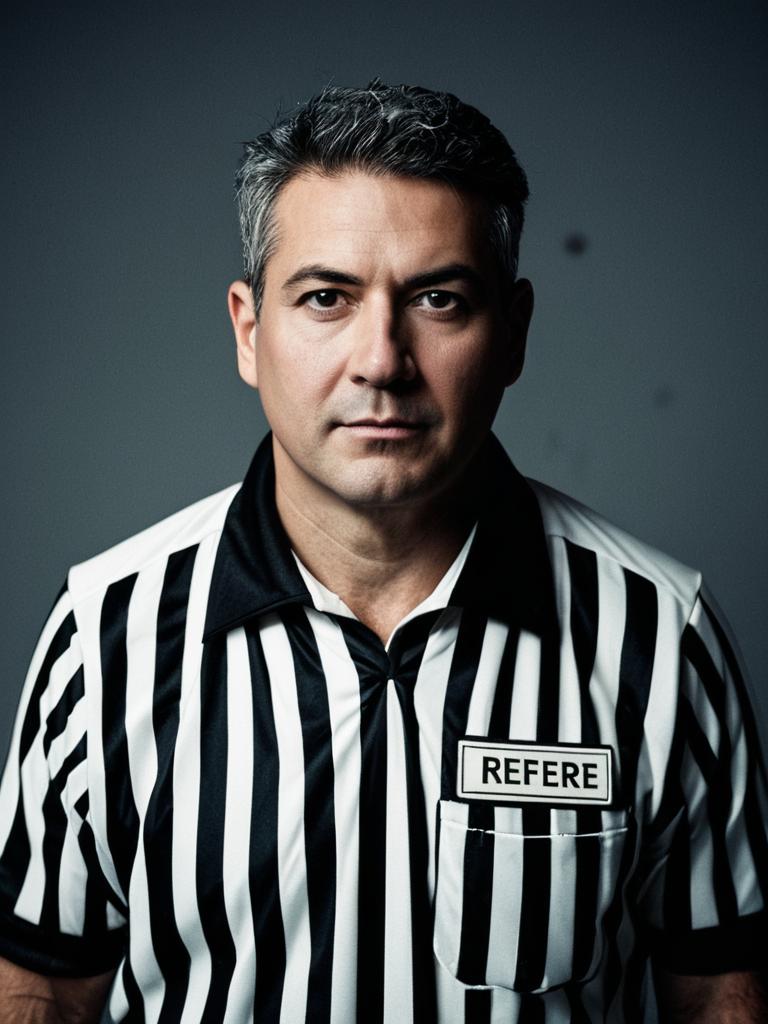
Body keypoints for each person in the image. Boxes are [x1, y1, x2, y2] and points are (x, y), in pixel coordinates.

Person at [0, 80, 765, 1024]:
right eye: (326, 297)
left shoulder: (656, 633)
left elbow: (722, 992)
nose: (381, 361)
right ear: (249, 329)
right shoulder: (106, 634)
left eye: (439, 299)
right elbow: (39, 984)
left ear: (514, 333)